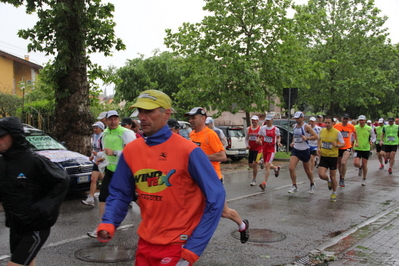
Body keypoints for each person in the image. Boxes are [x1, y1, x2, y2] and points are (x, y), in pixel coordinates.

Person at [95, 90, 225, 266]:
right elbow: (120, 192)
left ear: (167, 113)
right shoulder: (132, 150)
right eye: (140, 111)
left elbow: (216, 199)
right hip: (146, 242)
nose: (142, 116)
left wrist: (194, 248)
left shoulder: (188, 151)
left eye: (149, 111)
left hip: (177, 246)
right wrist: (109, 222)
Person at [0, 117, 70, 266]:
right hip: (15, 224)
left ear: (14, 135)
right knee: (27, 261)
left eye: (1, 136)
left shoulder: (34, 161)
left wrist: (45, 207)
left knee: (14, 264)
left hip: (36, 225)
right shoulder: (2, 162)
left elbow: (62, 180)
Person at [186, 107, 249, 244]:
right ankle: (191, 239)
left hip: (212, 179)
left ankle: (242, 225)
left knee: (223, 212)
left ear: (202, 118)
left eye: (193, 118)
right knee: (192, 208)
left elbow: (222, 156)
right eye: (189, 118)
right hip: (197, 179)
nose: (190, 120)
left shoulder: (210, 134)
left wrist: (202, 158)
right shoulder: (192, 135)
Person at [87, 110, 136, 238]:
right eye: (111, 119)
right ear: (106, 121)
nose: (113, 122)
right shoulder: (105, 134)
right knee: (103, 197)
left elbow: (133, 153)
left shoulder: (125, 133)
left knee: (135, 197)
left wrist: (114, 153)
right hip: (111, 170)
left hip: (125, 171)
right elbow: (105, 152)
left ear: (118, 120)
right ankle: (103, 226)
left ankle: (152, 219)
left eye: (115, 119)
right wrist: (100, 157)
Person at [288, 111, 318, 194]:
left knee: (307, 170)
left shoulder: (306, 127)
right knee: (291, 167)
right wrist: (293, 142)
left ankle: (312, 183)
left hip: (305, 150)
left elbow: (316, 136)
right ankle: (294, 185)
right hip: (296, 149)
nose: (296, 120)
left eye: (298, 118)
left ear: (302, 118)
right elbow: (295, 136)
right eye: (295, 118)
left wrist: (307, 138)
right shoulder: (294, 126)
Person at [317, 116, 345, 202]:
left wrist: (337, 145)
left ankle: (334, 192)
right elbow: (319, 140)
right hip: (324, 156)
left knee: (333, 176)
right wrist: (318, 148)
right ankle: (327, 179)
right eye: (326, 123)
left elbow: (343, 144)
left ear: (333, 123)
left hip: (333, 157)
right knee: (321, 175)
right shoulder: (322, 131)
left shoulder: (337, 133)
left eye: (329, 123)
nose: (327, 124)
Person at [256, 115, 282, 191]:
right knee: (266, 164)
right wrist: (258, 140)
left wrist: (278, 142)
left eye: (269, 120)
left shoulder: (275, 129)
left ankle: (264, 183)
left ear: (272, 120)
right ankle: (276, 168)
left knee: (267, 165)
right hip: (264, 148)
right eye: (266, 120)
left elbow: (278, 137)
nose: (267, 121)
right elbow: (260, 137)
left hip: (272, 149)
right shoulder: (263, 128)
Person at [82, 121, 105, 206]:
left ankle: (119, 195)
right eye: (94, 128)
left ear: (101, 129)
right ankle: (91, 198)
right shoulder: (95, 136)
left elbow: (105, 150)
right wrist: (92, 155)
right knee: (96, 179)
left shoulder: (104, 137)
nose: (95, 129)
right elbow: (95, 148)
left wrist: (99, 156)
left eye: (97, 128)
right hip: (96, 160)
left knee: (98, 179)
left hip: (103, 161)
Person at [333, 114, 356, 187]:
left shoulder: (351, 126)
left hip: (347, 146)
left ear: (348, 120)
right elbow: (332, 132)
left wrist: (356, 141)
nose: (345, 120)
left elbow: (355, 133)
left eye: (346, 119)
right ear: (342, 118)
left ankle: (342, 178)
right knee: (339, 163)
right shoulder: (337, 126)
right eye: (344, 118)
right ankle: (341, 176)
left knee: (343, 162)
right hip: (339, 146)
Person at [353, 115, 375, 185]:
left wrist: (372, 141)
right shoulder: (355, 128)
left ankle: (364, 178)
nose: (361, 122)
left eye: (362, 120)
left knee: (364, 164)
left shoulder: (369, 128)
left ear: (365, 121)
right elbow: (352, 136)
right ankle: (360, 168)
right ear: (358, 121)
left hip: (366, 148)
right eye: (360, 120)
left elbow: (374, 137)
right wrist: (353, 143)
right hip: (357, 148)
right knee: (356, 163)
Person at [245, 115, 263, 186]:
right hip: (251, 149)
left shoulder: (261, 129)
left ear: (258, 121)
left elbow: (263, 139)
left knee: (255, 164)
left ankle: (254, 179)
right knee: (250, 165)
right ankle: (261, 162)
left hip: (258, 149)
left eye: (255, 120)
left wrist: (260, 142)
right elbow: (246, 138)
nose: (254, 121)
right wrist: (247, 145)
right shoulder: (248, 129)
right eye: (253, 120)